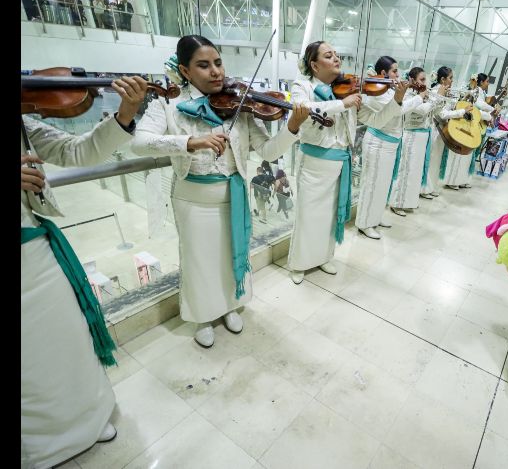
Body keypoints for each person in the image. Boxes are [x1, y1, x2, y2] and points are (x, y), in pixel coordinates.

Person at [131, 35, 309, 348]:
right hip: (192, 200)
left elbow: (267, 152)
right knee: (199, 260)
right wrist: (188, 143)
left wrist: (292, 127)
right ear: (185, 71)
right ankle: (202, 315)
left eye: (217, 63)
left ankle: (228, 305)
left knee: (230, 256)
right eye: (203, 65)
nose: (216, 72)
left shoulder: (240, 105)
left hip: (234, 197)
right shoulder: (169, 105)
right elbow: (139, 142)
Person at [22, 75, 148, 468]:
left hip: (33, 248)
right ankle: (40, 446)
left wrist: (126, 113)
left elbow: (77, 150)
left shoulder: (23, 123)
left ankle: (86, 421)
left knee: (65, 341)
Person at [287, 41, 405, 284]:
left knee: (330, 216)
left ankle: (322, 257)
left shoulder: (348, 89)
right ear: (314, 64)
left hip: (340, 162)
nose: (336, 59)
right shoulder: (303, 86)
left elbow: (376, 121)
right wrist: (343, 103)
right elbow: (304, 108)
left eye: (337, 55)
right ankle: (299, 263)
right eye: (329, 56)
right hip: (313, 163)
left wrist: (397, 101)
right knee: (308, 215)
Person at [354, 56, 412, 237]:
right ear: (383, 73)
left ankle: (376, 216)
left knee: (383, 184)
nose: (398, 74)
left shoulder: (390, 90)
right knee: (372, 184)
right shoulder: (376, 93)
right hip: (377, 143)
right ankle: (364, 223)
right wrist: (417, 99)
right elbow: (398, 110)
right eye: (394, 71)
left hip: (390, 144)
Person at [389, 66, 433, 213]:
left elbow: (430, 112)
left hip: (421, 136)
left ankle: (408, 202)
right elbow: (421, 110)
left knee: (415, 171)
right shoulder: (407, 94)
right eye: (421, 79)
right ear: (412, 80)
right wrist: (432, 101)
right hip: (411, 135)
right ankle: (397, 203)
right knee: (405, 170)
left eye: (425, 79)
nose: (424, 82)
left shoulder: (421, 94)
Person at [442, 72, 494, 190]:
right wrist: (490, 113)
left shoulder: (480, 93)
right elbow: (477, 109)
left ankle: (462, 180)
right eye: (487, 81)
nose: (488, 84)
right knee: (460, 154)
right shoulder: (474, 92)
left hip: (473, 126)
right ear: (479, 82)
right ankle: (453, 180)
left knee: (467, 156)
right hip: (465, 125)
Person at [419, 66, 454, 200]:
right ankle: (425, 188)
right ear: (442, 79)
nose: (452, 81)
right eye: (450, 78)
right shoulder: (435, 92)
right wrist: (461, 112)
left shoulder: (445, 91)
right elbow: (442, 113)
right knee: (431, 160)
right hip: (434, 129)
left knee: (436, 161)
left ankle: (431, 187)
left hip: (441, 132)